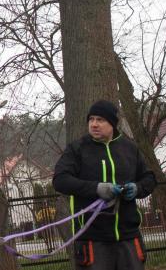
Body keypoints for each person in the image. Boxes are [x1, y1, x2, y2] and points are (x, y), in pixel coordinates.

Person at [53, 100, 156, 269]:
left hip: (128, 237)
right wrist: (96, 188)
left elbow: (149, 179)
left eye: (100, 120)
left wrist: (137, 188)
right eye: (91, 119)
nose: (94, 124)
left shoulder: (130, 149)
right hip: (93, 240)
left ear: (113, 124)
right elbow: (60, 180)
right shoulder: (77, 149)